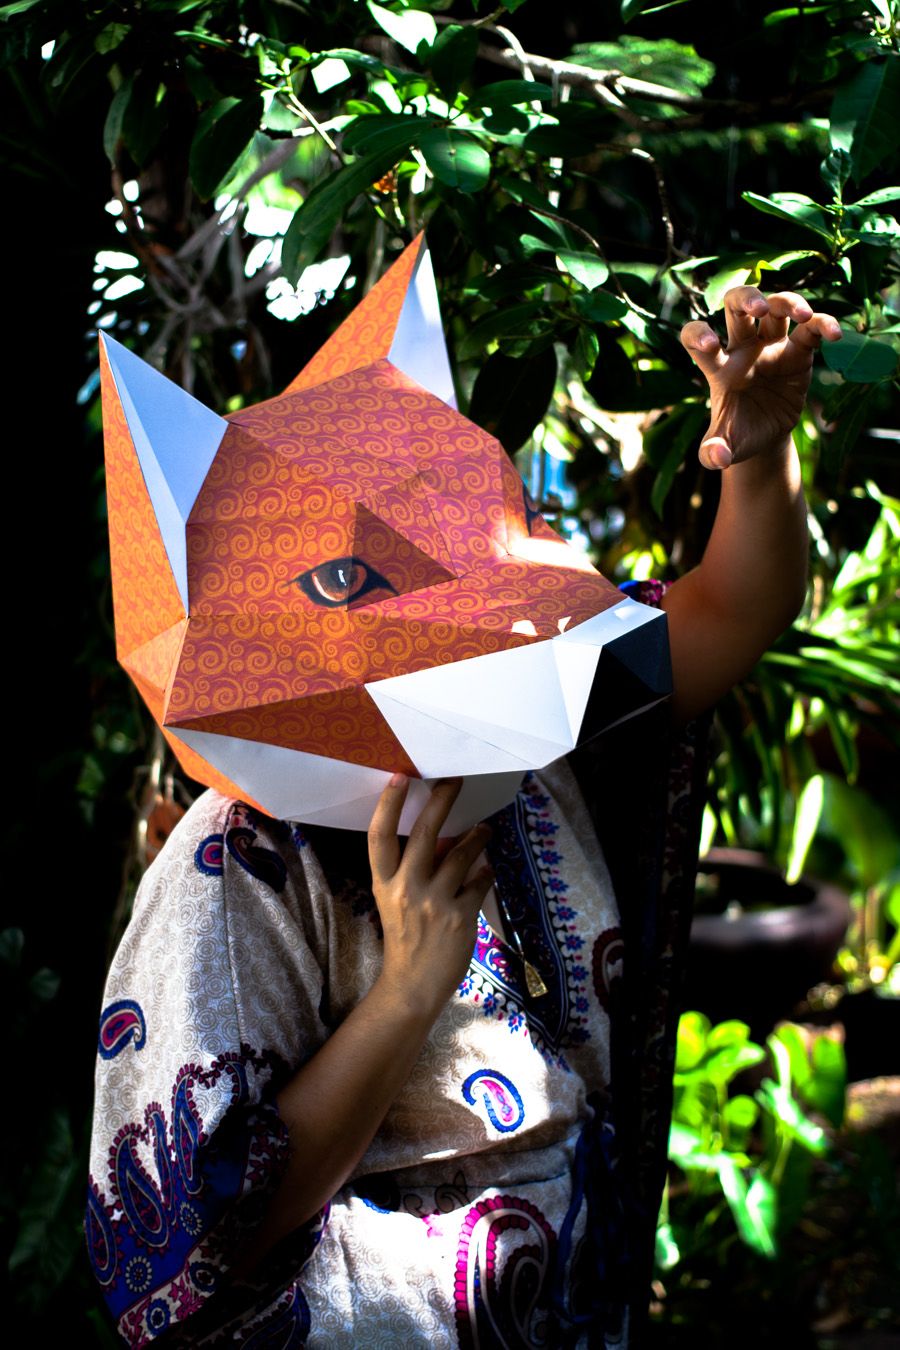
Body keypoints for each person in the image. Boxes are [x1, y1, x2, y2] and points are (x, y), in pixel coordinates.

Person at [86, 288, 840, 1347]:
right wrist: (407, 991)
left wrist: (757, 457)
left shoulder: (541, 701)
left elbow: (729, 613)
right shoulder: (235, 865)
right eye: (359, 577)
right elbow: (202, 1236)